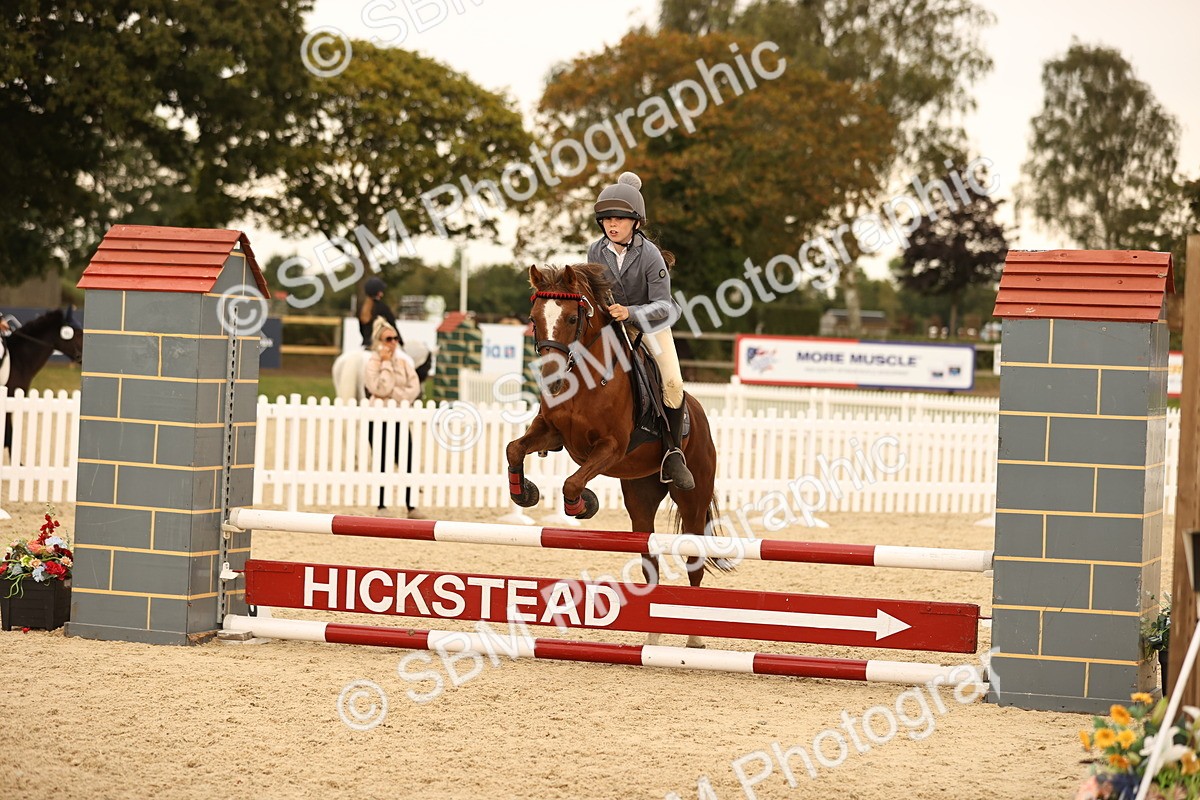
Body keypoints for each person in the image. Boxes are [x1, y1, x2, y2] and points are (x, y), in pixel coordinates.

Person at [586, 171, 693, 490]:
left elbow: (663, 305)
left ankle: (673, 451)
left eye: (618, 219)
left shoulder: (650, 256)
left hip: (651, 326)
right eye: (606, 220)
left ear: (635, 222)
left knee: (672, 381)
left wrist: (630, 312)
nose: (611, 225)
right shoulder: (596, 251)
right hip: (613, 325)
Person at [363, 318, 423, 518]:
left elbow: (413, 389)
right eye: (389, 339)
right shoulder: (372, 363)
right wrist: (386, 364)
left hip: (400, 417)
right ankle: (381, 505)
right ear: (379, 341)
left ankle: (411, 506)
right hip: (378, 418)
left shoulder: (405, 363)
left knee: (407, 460)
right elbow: (379, 388)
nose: (393, 342)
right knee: (382, 460)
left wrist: (392, 394)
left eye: (396, 338)